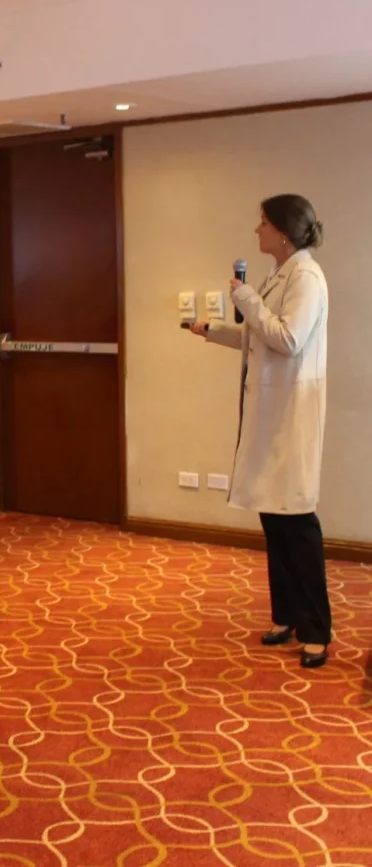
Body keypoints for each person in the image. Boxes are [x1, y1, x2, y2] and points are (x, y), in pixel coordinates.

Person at [189, 193, 330, 669]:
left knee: (297, 521)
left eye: (263, 223)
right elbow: (260, 337)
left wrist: (246, 300)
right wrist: (213, 330)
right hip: (271, 411)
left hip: (291, 414)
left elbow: (288, 339)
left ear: (284, 232)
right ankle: (287, 615)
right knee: (274, 519)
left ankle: (316, 630)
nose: (257, 230)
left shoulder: (306, 277)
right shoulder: (278, 274)